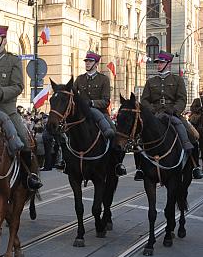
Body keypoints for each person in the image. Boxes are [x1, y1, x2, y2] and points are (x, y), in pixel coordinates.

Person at [0, 24, 43, 190]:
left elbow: (18, 86)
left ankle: (29, 176)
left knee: (24, 140)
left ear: (4, 40)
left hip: (6, 109)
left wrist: (2, 92)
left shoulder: (13, 61)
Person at [136, 51, 203, 180]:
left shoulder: (177, 80)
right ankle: (140, 168)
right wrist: (152, 110)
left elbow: (182, 99)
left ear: (169, 64)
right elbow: (144, 100)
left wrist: (174, 110)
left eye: (161, 63)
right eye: (158, 63)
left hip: (172, 114)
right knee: (139, 139)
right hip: (155, 115)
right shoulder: (150, 81)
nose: (158, 65)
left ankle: (195, 166)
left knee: (191, 136)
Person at [73, 51, 127, 176]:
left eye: (90, 61)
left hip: (100, 113)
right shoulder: (79, 79)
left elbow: (106, 101)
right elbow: (73, 94)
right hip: (83, 113)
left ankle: (117, 164)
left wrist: (91, 103)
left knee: (114, 134)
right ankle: (65, 162)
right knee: (66, 133)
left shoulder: (103, 79)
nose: (87, 63)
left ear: (96, 64)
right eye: (86, 61)